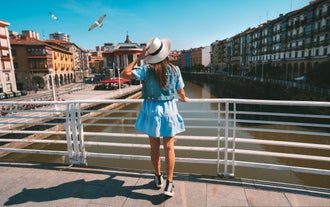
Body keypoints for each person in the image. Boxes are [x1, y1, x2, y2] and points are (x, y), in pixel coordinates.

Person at [121, 37, 188, 197]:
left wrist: (139, 57)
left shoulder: (146, 70)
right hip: (169, 110)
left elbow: (125, 73)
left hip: (151, 110)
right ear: (165, 54)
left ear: (151, 55)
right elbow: (181, 92)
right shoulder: (175, 70)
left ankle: (158, 178)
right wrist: (184, 98)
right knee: (169, 147)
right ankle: (170, 184)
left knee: (154, 147)